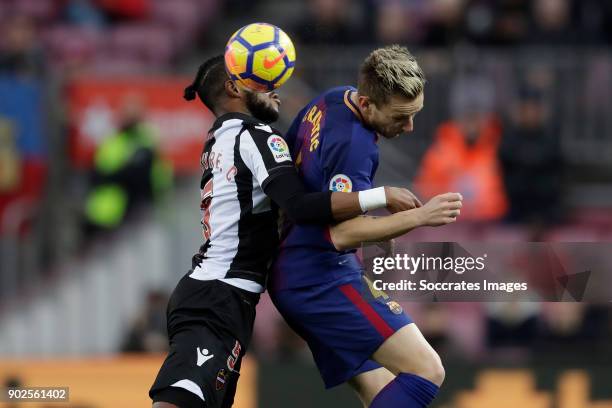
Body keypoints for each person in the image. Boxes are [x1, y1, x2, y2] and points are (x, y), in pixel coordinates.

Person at [149, 55, 422, 408]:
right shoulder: (256, 137)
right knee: (179, 399)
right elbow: (301, 207)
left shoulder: (219, 140)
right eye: (264, 83)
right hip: (218, 295)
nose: (276, 91)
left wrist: (367, 226)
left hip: (223, 296)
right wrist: (381, 196)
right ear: (235, 87)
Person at [269, 45, 463, 407]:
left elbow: (314, 193)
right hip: (319, 277)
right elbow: (340, 234)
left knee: (383, 388)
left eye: (414, 114)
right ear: (368, 103)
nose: (408, 127)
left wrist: (375, 223)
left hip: (294, 270)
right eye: (401, 116)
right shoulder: (356, 146)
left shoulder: (328, 101)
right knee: (427, 370)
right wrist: (419, 217)